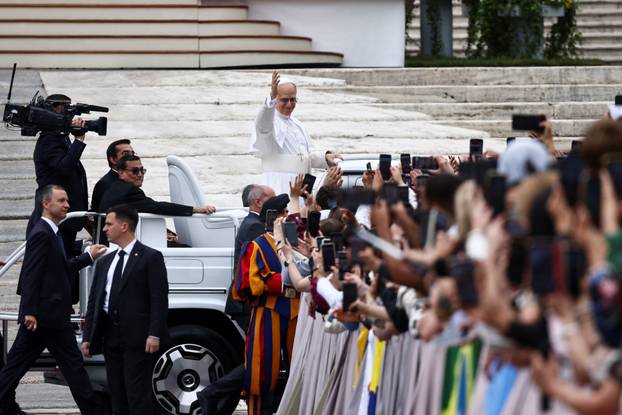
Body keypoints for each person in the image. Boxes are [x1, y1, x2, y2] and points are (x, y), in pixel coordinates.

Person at [0, 185, 106, 415]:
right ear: (46, 204)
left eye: (67, 200)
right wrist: (29, 310)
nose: (67, 205)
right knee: (73, 370)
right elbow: (31, 273)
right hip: (45, 316)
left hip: (49, 316)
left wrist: (87, 256)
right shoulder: (42, 233)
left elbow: (61, 268)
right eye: (62, 201)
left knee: (17, 368)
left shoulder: (52, 232)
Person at [81, 204, 169, 415]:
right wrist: (88, 337)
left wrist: (154, 333)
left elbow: (159, 299)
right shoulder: (105, 262)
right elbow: (95, 301)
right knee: (117, 392)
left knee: (137, 393)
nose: (104, 229)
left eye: (109, 224)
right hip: (111, 337)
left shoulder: (150, 257)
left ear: (124, 226)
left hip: (138, 338)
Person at [198, 184, 276, 414]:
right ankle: (213, 393)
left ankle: (220, 399)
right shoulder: (255, 227)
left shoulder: (254, 223)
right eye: (272, 199)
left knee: (258, 357)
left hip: (249, 303)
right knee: (260, 357)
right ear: (259, 202)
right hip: (247, 303)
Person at [232, 194, 299, 415]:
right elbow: (249, 284)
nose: (287, 216)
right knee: (261, 370)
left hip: (295, 313)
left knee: (298, 369)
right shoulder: (256, 245)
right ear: (273, 217)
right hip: (267, 311)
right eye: (283, 213)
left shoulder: (297, 243)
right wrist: (284, 281)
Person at [250, 71, 343, 195]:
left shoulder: (297, 124)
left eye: (293, 99)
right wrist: (271, 98)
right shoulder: (269, 123)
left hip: (303, 186)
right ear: (276, 99)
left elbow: (305, 155)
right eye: (284, 100)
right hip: (280, 185)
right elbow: (262, 125)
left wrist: (325, 157)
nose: (289, 104)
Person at [27, 94, 89, 255]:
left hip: (65, 218)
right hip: (56, 218)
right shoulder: (49, 140)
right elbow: (65, 168)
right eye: (66, 109)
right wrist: (79, 140)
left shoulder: (61, 138)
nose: (70, 115)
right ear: (53, 109)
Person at [99, 155, 216, 216]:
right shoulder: (129, 191)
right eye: (135, 171)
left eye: (142, 170)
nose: (140, 175)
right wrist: (196, 209)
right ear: (121, 173)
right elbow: (157, 207)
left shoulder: (115, 187)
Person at [90, 139, 134, 213]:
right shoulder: (105, 183)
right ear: (113, 159)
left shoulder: (132, 179)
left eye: (133, 154)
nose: (131, 157)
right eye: (126, 154)